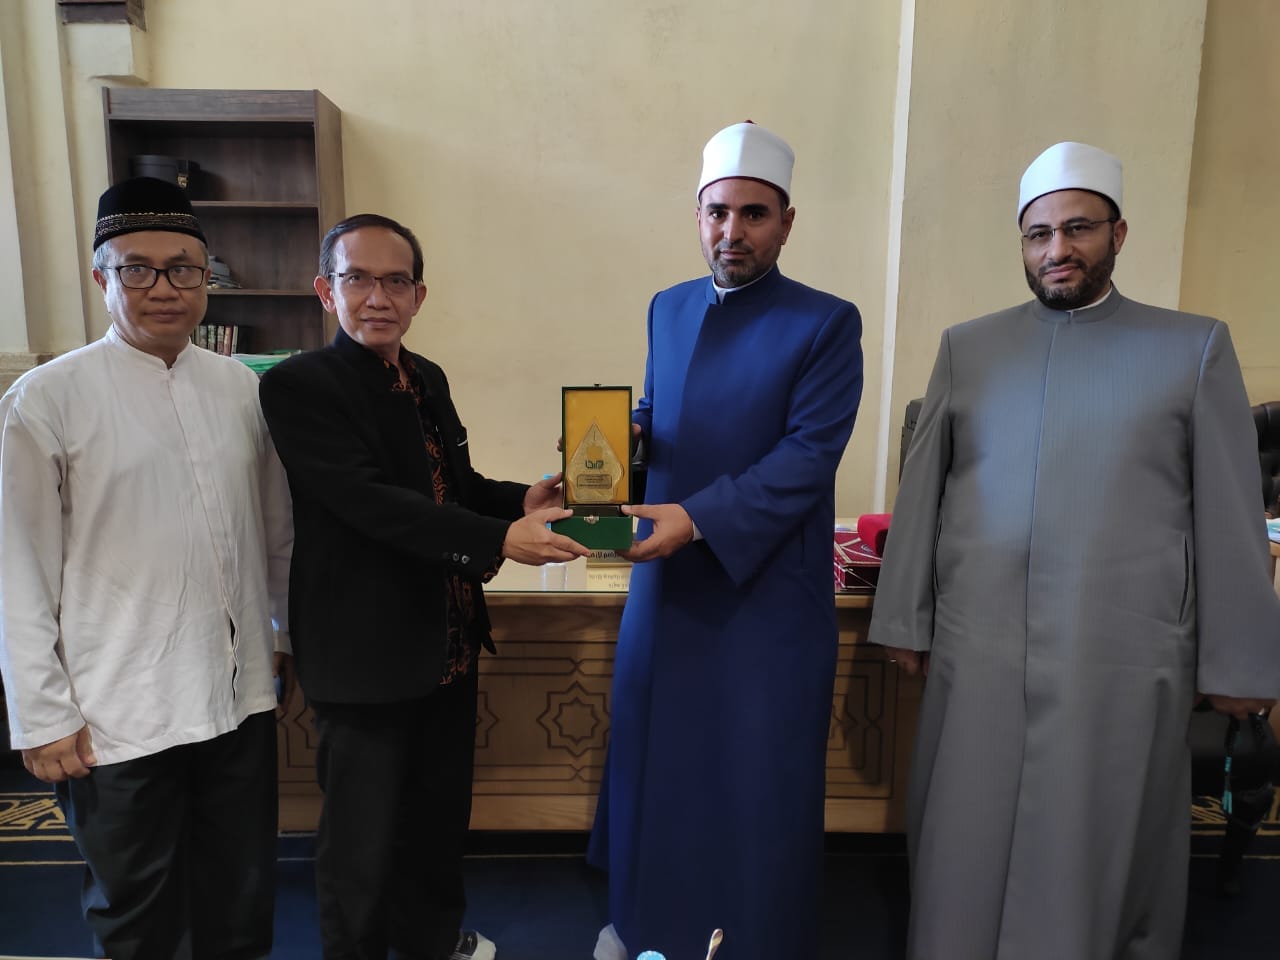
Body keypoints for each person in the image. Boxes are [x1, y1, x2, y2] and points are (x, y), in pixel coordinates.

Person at [870, 140, 1280, 958]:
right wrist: (904, 620)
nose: (1057, 249)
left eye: (1078, 228)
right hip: (980, 644)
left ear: (1118, 234)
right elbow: (922, 499)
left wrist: (1237, 665)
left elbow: (1230, 514)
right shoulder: (968, 348)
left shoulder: (1193, 348)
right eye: (1039, 233)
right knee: (966, 830)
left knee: (1096, 843)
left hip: (1122, 650)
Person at [258, 213, 588, 960]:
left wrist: (520, 501)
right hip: (363, 654)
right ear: (326, 291)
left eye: (395, 281)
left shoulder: (425, 376)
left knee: (437, 825)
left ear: (418, 295)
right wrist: (499, 539)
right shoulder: (298, 385)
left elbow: (452, 484)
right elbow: (368, 501)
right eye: (358, 279)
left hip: (446, 644)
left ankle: (432, 945)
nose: (378, 297)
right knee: (362, 844)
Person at [587, 122, 864, 960]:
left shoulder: (826, 323)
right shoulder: (667, 307)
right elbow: (660, 410)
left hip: (763, 595)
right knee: (659, 766)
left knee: (753, 782)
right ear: (698, 216)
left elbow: (807, 457)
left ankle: (752, 941)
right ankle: (648, 929)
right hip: (666, 589)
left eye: (753, 214)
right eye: (717, 212)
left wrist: (699, 518)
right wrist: (614, 445)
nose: (731, 231)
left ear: (786, 222)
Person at [0, 177, 294, 959]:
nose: (163, 288)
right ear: (102, 276)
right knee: (139, 916)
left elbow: (274, 533)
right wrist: (42, 713)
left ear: (207, 278)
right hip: (115, 711)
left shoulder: (240, 389)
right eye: (138, 268)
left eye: (183, 268)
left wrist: (282, 638)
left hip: (236, 699)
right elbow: (17, 569)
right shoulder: (46, 399)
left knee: (240, 902)